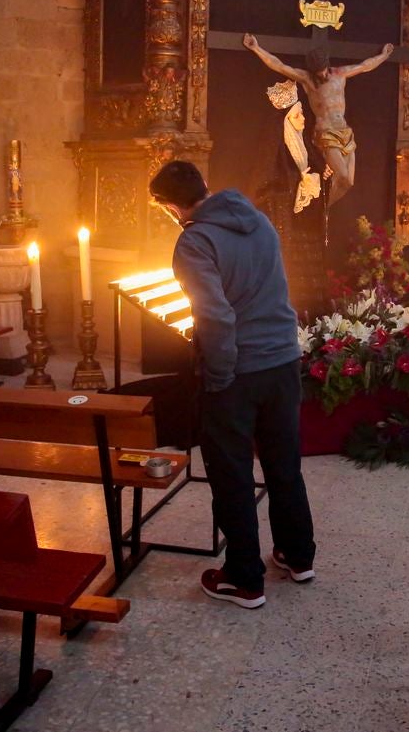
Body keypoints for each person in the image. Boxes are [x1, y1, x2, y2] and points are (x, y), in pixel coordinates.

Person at [148, 160, 316, 609]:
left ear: (168, 205)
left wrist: (219, 376)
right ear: (206, 186)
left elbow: (215, 316)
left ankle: (244, 579)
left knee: (232, 475)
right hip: (283, 360)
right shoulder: (258, 220)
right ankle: (298, 556)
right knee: (284, 463)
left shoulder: (194, 241)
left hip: (238, 369)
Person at [243, 33, 394, 206]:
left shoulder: (340, 74)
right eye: (316, 71)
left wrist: (383, 56)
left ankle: (325, 209)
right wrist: (256, 48)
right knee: (342, 176)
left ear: (327, 65)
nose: (320, 74)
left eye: (322, 69)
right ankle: (323, 212)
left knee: (348, 182)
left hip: (344, 131)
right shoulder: (308, 80)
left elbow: (364, 66)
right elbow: (279, 66)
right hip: (326, 133)